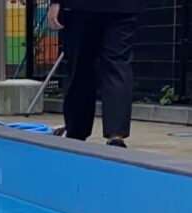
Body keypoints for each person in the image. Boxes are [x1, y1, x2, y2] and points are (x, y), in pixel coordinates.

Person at [47, 0, 145, 147]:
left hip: (80, 7)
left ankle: (76, 131)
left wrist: (55, 2)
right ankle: (115, 133)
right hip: (124, 6)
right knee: (117, 63)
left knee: (80, 65)